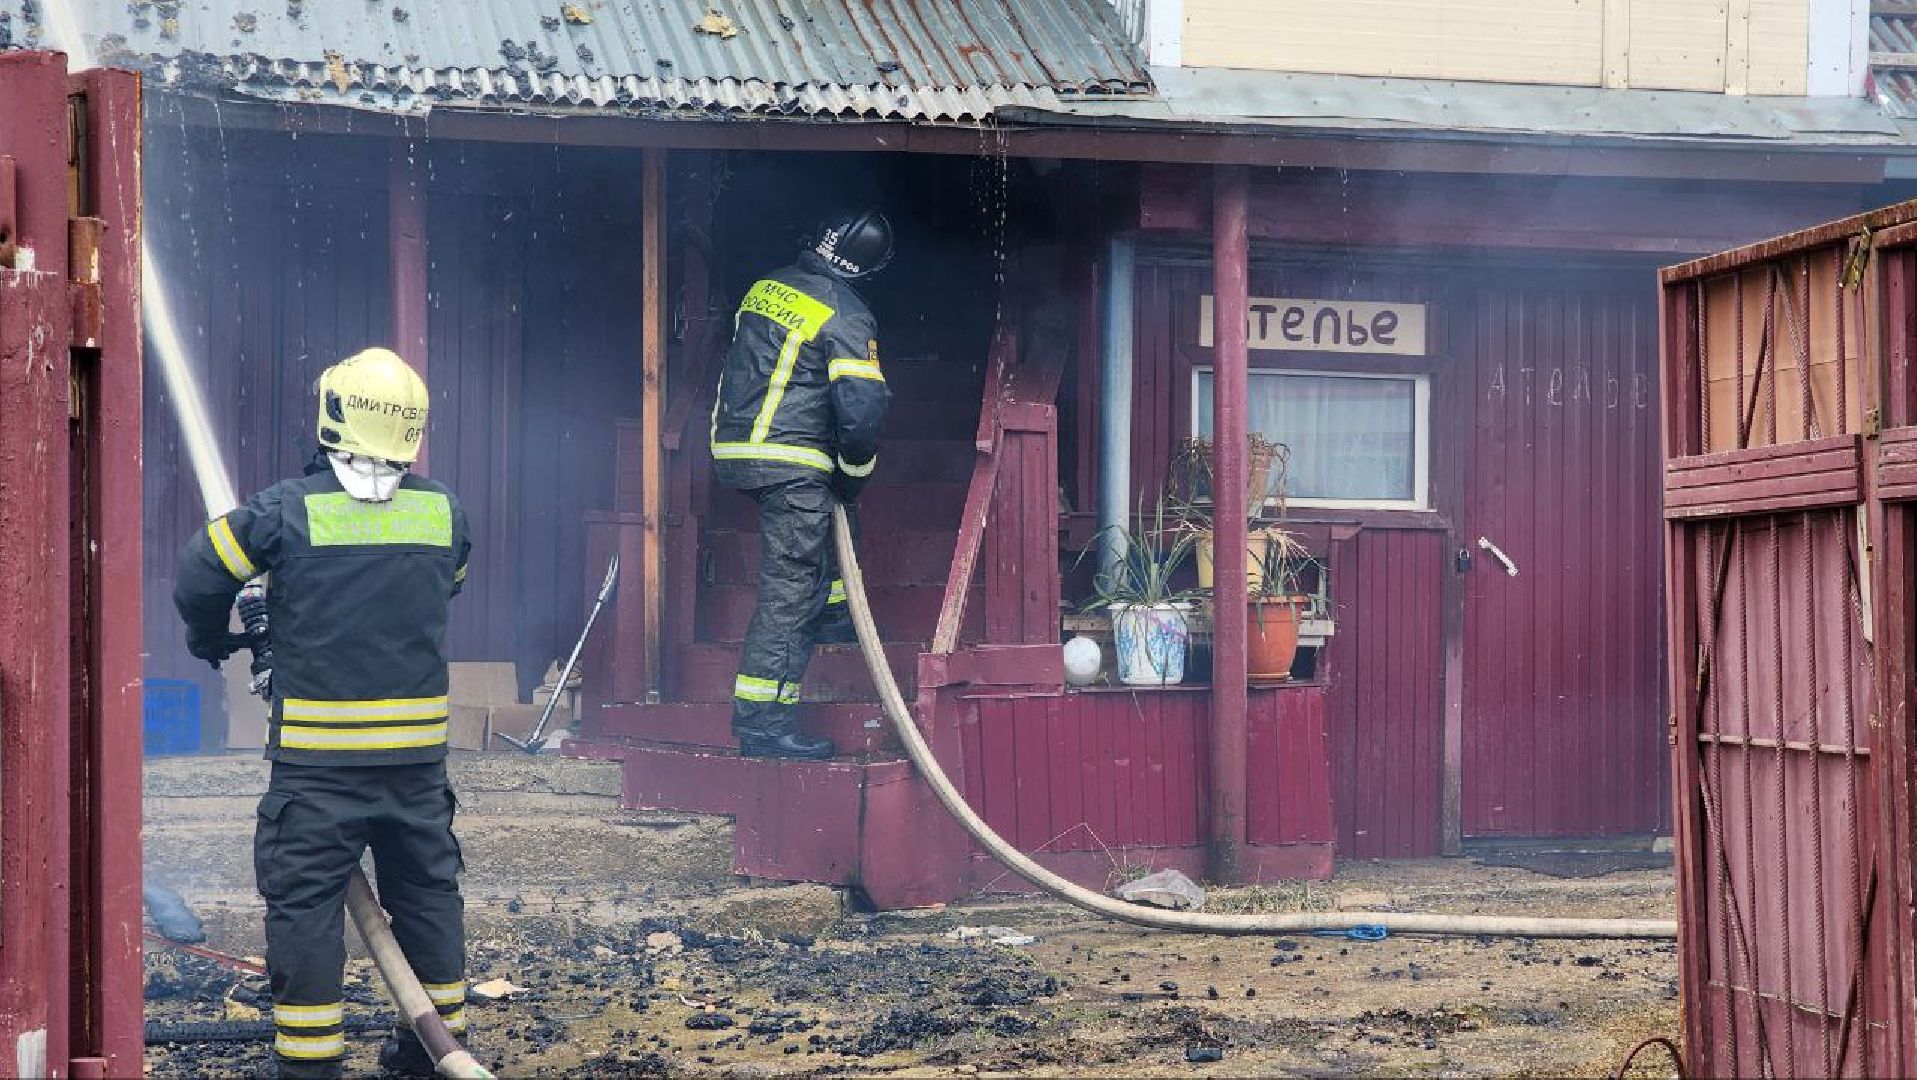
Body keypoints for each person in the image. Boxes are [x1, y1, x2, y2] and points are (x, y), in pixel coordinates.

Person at [173, 348, 473, 1079]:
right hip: (416, 768)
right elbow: (445, 585)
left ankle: (310, 1066)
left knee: (305, 909)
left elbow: (196, 576)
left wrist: (219, 634)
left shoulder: (285, 509)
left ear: (332, 416)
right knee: (428, 896)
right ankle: (431, 1054)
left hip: (318, 773)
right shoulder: (443, 511)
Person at [710, 208, 894, 761]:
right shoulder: (846, 311)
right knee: (789, 593)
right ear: (866, 270)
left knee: (826, 533)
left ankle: (836, 610)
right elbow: (861, 415)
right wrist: (854, 475)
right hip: (791, 459)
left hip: (742, 448)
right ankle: (763, 724)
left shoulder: (766, 287)